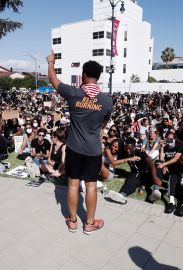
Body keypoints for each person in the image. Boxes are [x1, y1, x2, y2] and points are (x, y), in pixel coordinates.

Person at [47, 51, 113, 235]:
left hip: (74, 148)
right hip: (93, 150)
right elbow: (104, 122)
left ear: (83, 75)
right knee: (91, 185)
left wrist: (51, 62)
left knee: (73, 184)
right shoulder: (107, 100)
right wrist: (98, 132)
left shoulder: (74, 93)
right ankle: (90, 224)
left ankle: (73, 221)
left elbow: (53, 79)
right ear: (98, 77)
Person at [106, 138, 162, 205]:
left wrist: (155, 177)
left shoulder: (140, 152)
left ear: (134, 147)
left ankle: (155, 191)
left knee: (157, 169)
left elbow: (151, 164)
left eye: (130, 148)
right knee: (131, 180)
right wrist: (108, 148)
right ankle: (122, 196)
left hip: (147, 175)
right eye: (126, 148)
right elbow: (115, 151)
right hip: (137, 175)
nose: (128, 150)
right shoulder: (125, 152)